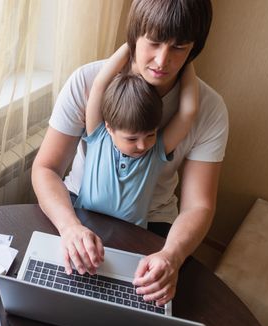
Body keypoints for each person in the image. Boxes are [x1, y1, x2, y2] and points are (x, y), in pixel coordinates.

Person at [32, 0, 228, 307]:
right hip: (76, 207)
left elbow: (198, 205)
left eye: (179, 48)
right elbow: (46, 168)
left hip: (155, 225)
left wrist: (171, 255)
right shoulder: (88, 82)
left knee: (145, 309)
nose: (162, 60)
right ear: (135, 34)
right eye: (153, 42)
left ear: (194, 49)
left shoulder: (210, 109)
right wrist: (70, 227)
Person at [76, 43, 198, 230]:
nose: (143, 145)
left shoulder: (156, 152)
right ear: (109, 127)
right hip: (83, 225)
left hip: (131, 235)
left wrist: (186, 59)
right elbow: (100, 84)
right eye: (131, 139)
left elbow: (188, 112)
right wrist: (132, 43)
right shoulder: (98, 137)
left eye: (150, 134)